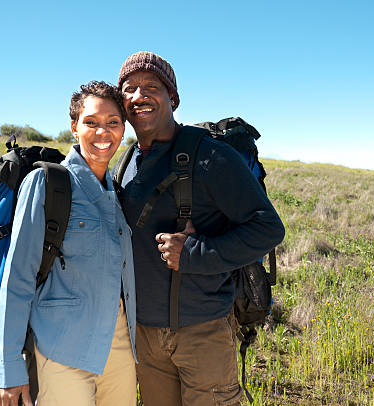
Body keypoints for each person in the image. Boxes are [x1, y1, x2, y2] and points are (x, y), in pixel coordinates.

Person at [115, 51, 285, 405]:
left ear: (173, 98)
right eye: (129, 89)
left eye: (151, 87)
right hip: (144, 335)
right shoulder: (126, 161)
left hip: (203, 332)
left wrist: (196, 253)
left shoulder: (209, 156)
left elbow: (268, 228)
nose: (138, 96)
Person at [0, 81, 137, 406]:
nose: (103, 132)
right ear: (74, 127)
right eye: (91, 122)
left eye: (113, 123)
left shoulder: (117, 193)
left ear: (123, 129)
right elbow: (17, 280)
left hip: (119, 351)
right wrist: (9, 369)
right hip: (61, 349)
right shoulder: (47, 183)